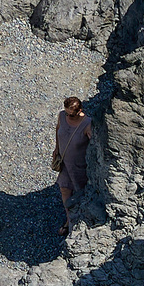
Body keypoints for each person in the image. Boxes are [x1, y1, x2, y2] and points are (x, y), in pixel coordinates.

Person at [52, 96, 91, 233]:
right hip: (64, 162)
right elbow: (58, 130)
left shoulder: (87, 124)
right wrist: (57, 149)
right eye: (67, 112)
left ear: (79, 110)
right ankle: (69, 221)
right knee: (64, 189)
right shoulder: (62, 116)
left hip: (79, 167)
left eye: (71, 114)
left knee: (80, 193)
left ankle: (80, 223)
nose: (68, 116)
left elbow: (94, 146)